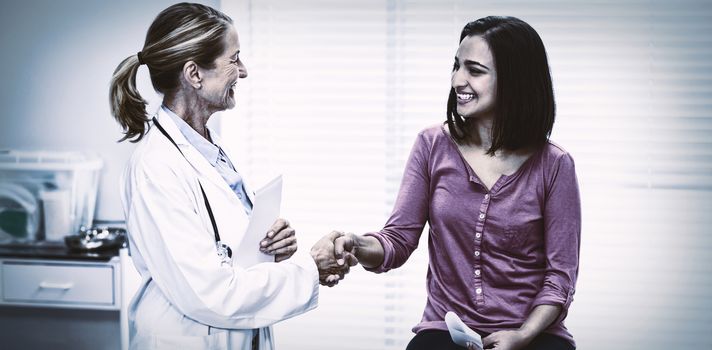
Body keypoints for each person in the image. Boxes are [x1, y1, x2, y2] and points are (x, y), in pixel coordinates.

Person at [329, 16, 580, 350]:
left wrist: (522, 335)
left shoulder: (555, 165)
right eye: (456, 66)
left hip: (533, 334)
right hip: (445, 332)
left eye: (474, 71)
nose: (457, 80)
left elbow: (560, 277)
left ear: (514, 80)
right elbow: (398, 239)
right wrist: (355, 244)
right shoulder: (432, 144)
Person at [109, 3, 348, 349]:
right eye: (234, 59)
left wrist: (269, 251)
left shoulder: (209, 148)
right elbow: (212, 293)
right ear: (194, 74)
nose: (244, 71)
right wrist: (310, 269)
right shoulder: (155, 168)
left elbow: (226, 254)